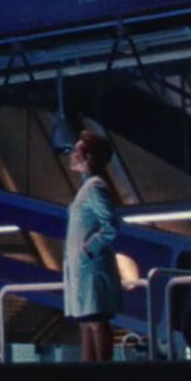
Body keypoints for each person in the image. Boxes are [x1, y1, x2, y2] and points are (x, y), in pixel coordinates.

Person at [63, 129, 122, 362]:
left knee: (96, 321)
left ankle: (102, 371)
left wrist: (88, 250)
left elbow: (111, 226)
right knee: (87, 322)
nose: (71, 154)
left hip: (91, 267)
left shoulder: (95, 186)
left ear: (88, 157)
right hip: (84, 268)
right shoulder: (86, 188)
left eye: (76, 150)